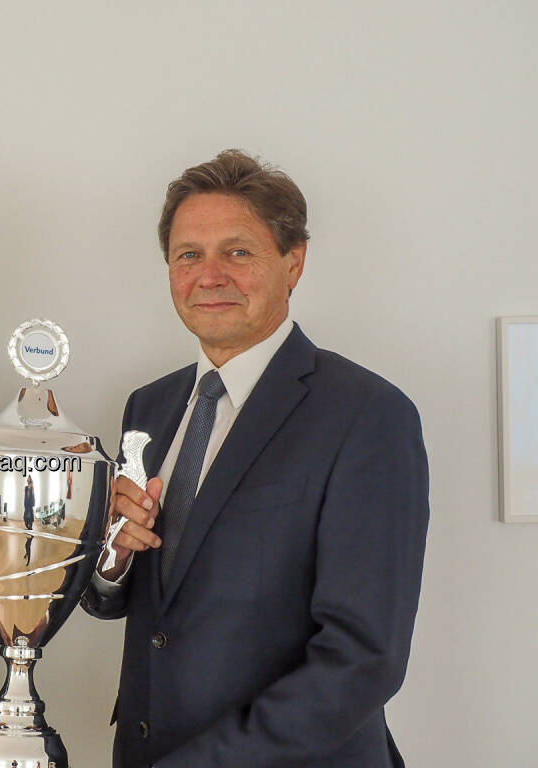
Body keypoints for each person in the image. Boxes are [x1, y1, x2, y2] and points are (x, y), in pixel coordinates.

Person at [82, 150, 429, 767]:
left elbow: (362, 658)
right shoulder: (149, 407)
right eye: (189, 255)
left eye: (238, 252)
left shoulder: (367, 415)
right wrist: (111, 559)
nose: (209, 275)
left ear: (293, 263)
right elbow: (129, 603)